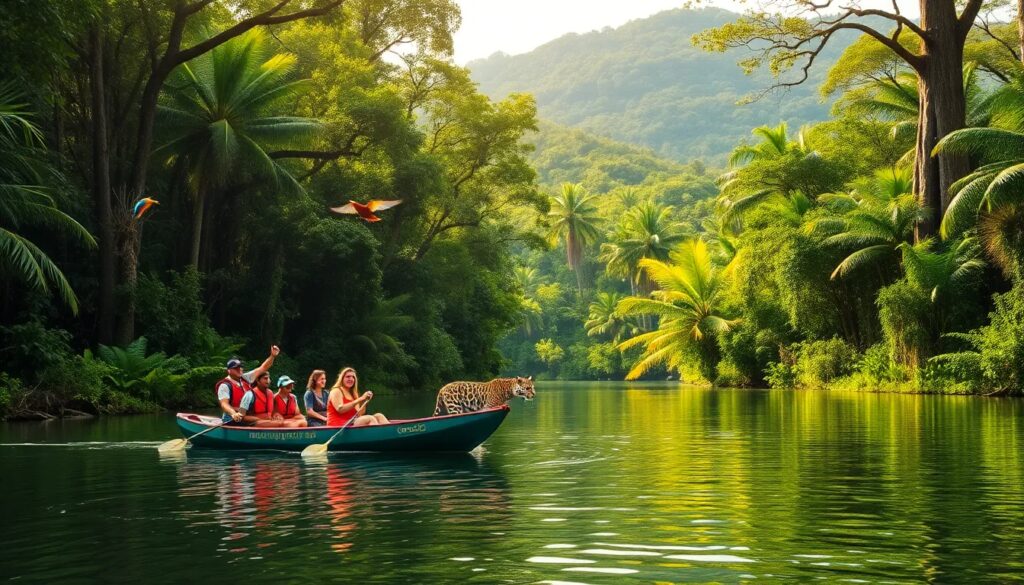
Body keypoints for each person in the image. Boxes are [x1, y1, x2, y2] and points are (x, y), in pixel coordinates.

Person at [216, 346, 280, 424]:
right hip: (232, 418)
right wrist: (233, 413)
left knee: (268, 418)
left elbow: (263, 368)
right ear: (229, 371)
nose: (239, 369)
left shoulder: (245, 378)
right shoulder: (224, 385)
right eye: (236, 368)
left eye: (240, 367)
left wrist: (272, 356)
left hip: (247, 416)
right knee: (262, 421)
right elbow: (224, 404)